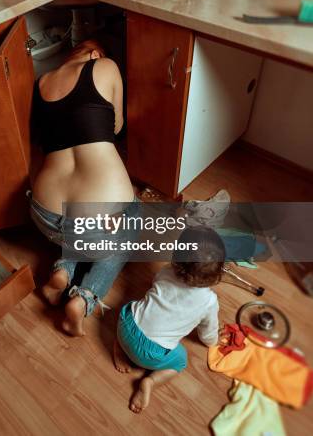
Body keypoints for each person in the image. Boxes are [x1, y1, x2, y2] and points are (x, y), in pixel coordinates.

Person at [29, 39, 137, 336]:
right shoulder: (105, 65)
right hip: (96, 221)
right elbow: (115, 127)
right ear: (94, 54)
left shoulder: (42, 83)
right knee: (130, 222)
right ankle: (84, 298)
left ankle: (63, 270)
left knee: (85, 227)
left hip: (45, 216)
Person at [113, 226, 225, 413]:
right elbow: (207, 335)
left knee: (132, 305)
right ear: (218, 274)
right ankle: (151, 381)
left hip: (126, 325)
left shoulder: (166, 272)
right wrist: (213, 341)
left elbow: (156, 284)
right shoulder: (209, 302)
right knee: (181, 360)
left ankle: (119, 346)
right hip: (151, 354)